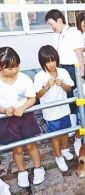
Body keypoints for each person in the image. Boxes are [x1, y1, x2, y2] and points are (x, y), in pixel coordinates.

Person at [0, 47, 45, 187]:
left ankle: (39, 168)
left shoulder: (24, 78)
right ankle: (22, 172)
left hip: (26, 117)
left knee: (31, 145)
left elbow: (32, 98)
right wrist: (4, 110)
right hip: (7, 120)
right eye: (10, 68)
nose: (14, 70)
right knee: (17, 148)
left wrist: (22, 108)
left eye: (17, 66)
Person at [34, 45, 74, 172]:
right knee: (55, 136)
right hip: (50, 113)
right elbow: (36, 95)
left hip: (64, 109)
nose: (51, 64)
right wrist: (46, 87)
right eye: (47, 61)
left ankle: (65, 149)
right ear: (42, 62)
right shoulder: (39, 76)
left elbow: (70, 89)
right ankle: (58, 157)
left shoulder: (63, 72)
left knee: (65, 131)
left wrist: (62, 84)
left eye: (53, 60)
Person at [45, 9, 85, 121]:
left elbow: (80, 56)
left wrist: (81, 76)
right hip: (60, 69)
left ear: (59, 20)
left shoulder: (74, 33)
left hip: (72, 69)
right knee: (64, 96)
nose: (51, 27)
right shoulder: (56, 36)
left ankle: (78, 122)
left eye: (51, 24)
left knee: (73, 96)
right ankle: (70, 121)